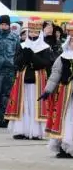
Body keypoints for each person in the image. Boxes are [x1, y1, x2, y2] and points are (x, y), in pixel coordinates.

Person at [5, 17, 53, 140]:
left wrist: (33, 56)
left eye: (35, 32)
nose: (32, 35)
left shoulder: (45, 47)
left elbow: (46, 63)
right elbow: (16, 62)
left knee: (35, 104)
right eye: (30, 32)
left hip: (38, 80)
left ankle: (37, 131)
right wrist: (24, 57)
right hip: (23, 80)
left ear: (39, 33)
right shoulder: (22, 45)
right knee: (23, 104)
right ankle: (21, 130)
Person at [39, 23, 73, 159]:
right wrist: (48, 90)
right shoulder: (63, 56)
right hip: (65, 92)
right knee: (64, 119)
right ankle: (64, 146)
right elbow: (55, 74)